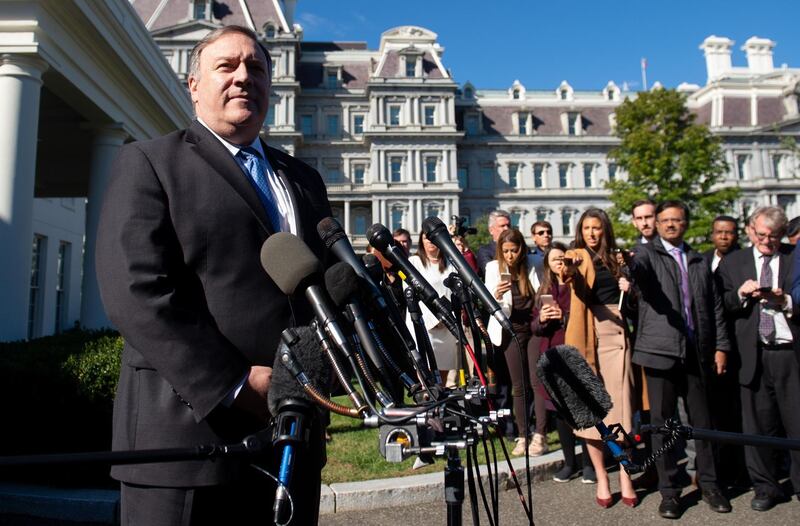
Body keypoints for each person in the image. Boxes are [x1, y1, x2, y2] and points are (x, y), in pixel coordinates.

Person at [95, 26, 332, 525]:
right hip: (185, 445)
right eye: (226, 66)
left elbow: (323, 290)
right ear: (194, 85)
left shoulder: (304, 179)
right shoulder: (149, 162)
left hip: (290, 442)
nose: (244, 77)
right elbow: (136, 291)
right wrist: (235, 383)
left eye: (257, 68)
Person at [627, 200, 732, 519]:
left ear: (686, 223)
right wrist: (628, 265)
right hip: (659, 353)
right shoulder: (646, 254)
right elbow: (639, 274)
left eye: (677, 220)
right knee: (661, 424)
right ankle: (670, 491)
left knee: (702, 422)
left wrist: (721, 346)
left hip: (696, 351)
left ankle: (711, 485)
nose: (671, 225)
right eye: (665, 220)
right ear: (657, 224)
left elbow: (714, 307)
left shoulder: (698, 259)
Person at [718, 206, 800, 511]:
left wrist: (785, 300)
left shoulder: (795, 256)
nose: (768, 242)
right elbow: (723, 304)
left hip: (790, 352)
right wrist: (740, 294)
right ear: (751, 230)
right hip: (753, 354)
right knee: (757, 426)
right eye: (762, 235)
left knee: (797, 422)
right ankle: (765, 488)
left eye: (775, 237)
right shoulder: (734, 261)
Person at [560, 208, 637, 508]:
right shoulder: (576, 254)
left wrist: (628, 289)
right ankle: (603, 478)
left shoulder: (617, 259)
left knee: (621, 412)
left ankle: (626, 473)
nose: (592, 233)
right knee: (591, 413)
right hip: (586, 336)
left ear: (605, 231)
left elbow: (633, 304)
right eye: (587, 228)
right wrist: (570, 264)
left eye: (597, 228)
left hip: (616, 333)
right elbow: (567, 271)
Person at [531, 242, 594, 482]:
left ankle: (588, 463)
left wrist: (565, 317)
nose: (559, 263)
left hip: (576, 353)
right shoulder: (545, 290)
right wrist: (544, 319)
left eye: (563, 258)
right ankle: (570, 463)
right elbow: (535, 328)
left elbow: (587, 318)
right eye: (555, 259)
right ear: (547, 263)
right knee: (560, 413)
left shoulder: (577, 286)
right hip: (552, 355)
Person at [484, 228, 541, 455]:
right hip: (509, 331)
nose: (510, 256)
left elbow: (544, 292)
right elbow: (488, 303)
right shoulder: (493, 268)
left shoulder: (534, 263)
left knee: (537, 383)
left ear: (522, 249)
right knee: (519, 386)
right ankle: (522, 435)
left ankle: (540, 433)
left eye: (514, 251)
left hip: (534, 329)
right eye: (505, 251)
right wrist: (497, 294)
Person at [405, 231, 459, 385]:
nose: (430, 242)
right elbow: (410, 292)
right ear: (421, 241)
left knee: (442, 374)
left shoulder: (450, 262)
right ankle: (426, 406)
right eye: (425, 239)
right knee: (425, 374)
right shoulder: (414, 261)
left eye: (432, 239)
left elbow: (456, 289)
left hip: (447, 324)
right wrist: (435, 317)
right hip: (424, 324)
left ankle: (441, 406)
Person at [476, 210, 512, 275]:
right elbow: (492, 274)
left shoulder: (523, 248)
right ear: (491, 230)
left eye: (508, 225)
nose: (506, 229)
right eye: (502, 226)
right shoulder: (485, 251)